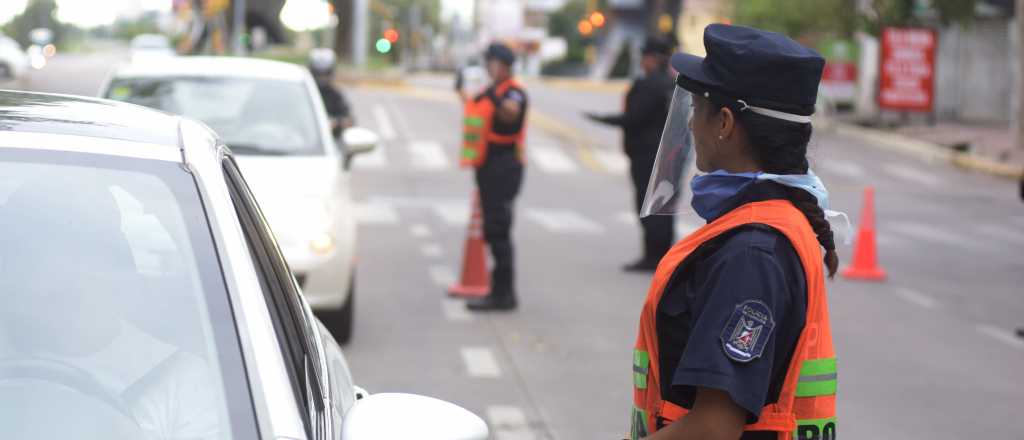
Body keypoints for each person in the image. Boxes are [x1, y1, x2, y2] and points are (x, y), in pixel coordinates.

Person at [629, 24, 839, 440]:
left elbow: (713, 428)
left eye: (696, 109)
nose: (690, 125)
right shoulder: (773, 222)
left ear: (724, 123)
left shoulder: (751, 252)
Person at [586, 37, 677, 272]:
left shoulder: (649, 84)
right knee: (663, 206)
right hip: (669, 153)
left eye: (644, 57)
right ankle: (663, 256)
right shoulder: (672, 83)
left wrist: (602, 118)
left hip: (648, 154)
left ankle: (652, 258)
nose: (641, 62)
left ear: (652, 59)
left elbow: (633, 119)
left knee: (649, 206)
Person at [456, 42, 528, 311]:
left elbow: (510, 113)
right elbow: (473, 105)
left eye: (491, 63)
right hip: (488, 167)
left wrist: (493, 96)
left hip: (504, 168)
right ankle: (499, 291)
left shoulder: (514, 92)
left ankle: (504, 295)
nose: (488, 67)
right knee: (492, 230)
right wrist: (459, 88)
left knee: (499, 231)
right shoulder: (493, 90)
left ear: (503, 65)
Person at [309, 48, 353, 137]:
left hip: (332, 141)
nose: (322, 78)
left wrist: (336, 123)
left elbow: (349, 120)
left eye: (325, 73)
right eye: (318, 73)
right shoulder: (304, 94)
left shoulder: (336, 95)